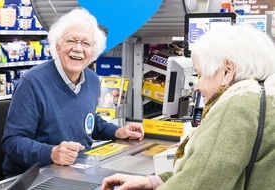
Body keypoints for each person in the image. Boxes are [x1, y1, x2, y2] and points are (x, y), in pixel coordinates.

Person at [101, 24, 275, 190]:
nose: (197, 86)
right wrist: (154, 181)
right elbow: (213, 172)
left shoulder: (238, 104)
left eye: (200, 75)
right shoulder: (262, 96)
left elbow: (199, 184)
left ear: (227, 71)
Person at [1, 8, 144, 178]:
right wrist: (52, 153)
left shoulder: (92, 80)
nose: (78, 48)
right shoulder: (32, 83)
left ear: (93, 51)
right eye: (71, 40)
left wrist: (118, 131)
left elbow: (89, 120)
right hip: (34, 177)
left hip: (76, 171)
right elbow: (12, 142)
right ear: (58, 45)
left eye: (85, 43)